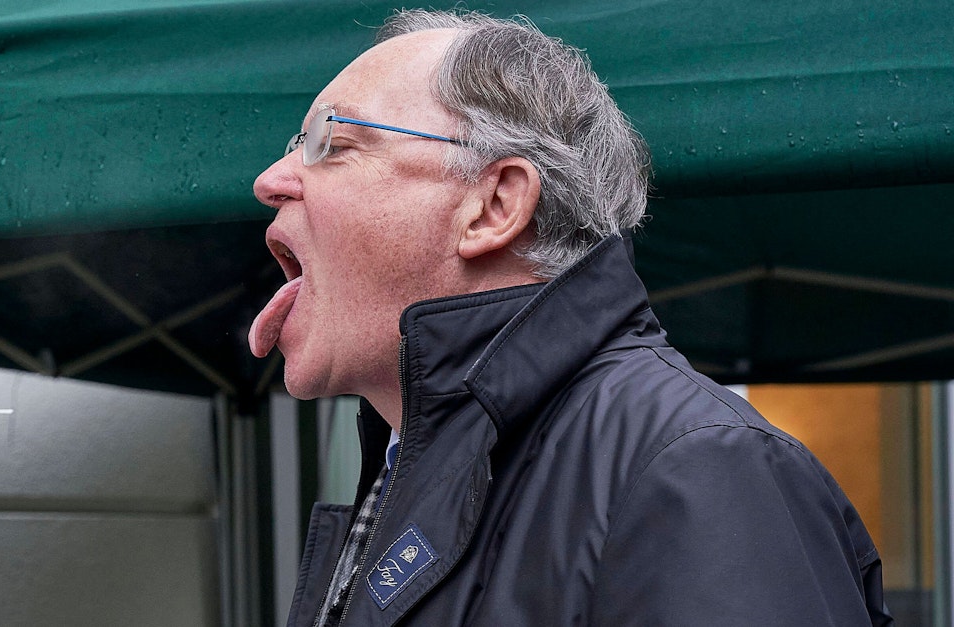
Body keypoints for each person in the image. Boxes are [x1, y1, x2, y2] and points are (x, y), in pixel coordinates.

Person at [248, 10, 890, 626]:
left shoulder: (701, 467)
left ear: (493, 205)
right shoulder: (418, 459)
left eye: (332, 143)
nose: (270, 180)